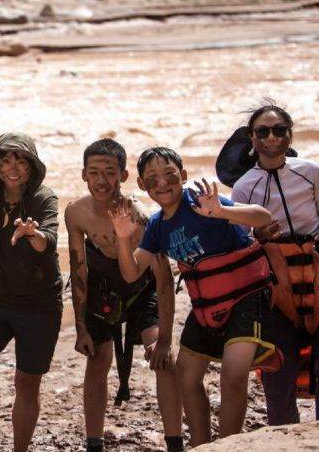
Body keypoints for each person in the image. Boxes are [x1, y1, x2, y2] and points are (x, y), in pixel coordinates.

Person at [109, 146, 276, 447]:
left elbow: (263, 217)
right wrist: (122, 239)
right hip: (206, 306)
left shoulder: (200, 201)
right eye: (152, 178)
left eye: (170, 174)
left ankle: (227, 446)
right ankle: (201, 445)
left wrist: (222, 211)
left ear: (184, 175)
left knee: (233, 374)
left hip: (246, 297)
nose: (162, 183)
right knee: (185, 374)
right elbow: (132, 273)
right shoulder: (157, 226)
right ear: (142, 185)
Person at [230, 105, 319, 424]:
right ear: (252, 139)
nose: (272, 137)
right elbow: (239, 240)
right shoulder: (244, 186)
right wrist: (258, 235)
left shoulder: (310, 171)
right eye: (263, 131)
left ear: (290, 135)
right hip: (274, 285)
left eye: (279, 130)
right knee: (278, 366)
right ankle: (283, 434)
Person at [64, 139, 183, 452]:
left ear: (124, 176)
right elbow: (78, 270)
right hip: (102, 288)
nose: (102, 180)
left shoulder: (139, 215)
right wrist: (81, 327)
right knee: (97, 359)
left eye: (110, 172)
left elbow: (163, 280)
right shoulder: (76, 212)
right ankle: (94, 444)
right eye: (94, 172)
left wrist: (166, 339)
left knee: (163, 360)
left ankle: (175, 443)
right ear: (83, 175)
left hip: (141, 289)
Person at [0, 133, 62, 452]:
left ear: (32, 167)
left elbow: (48, 243)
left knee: (27, 382)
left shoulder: (44, 198)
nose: (13, 168)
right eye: (5, 161)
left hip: (41, 303)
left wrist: (33, 234)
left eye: (21, 162)